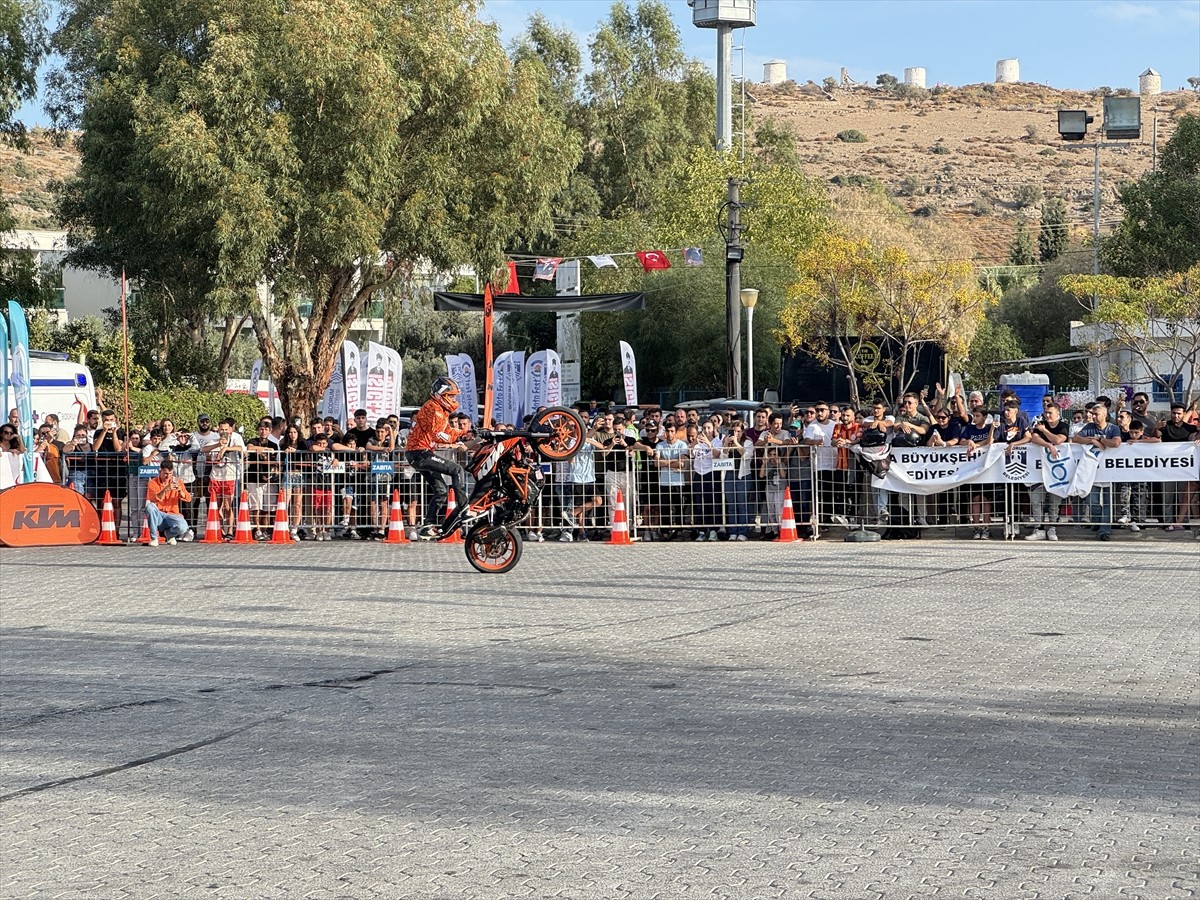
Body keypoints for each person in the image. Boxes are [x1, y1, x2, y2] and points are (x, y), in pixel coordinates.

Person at [406, 377, 471, 539]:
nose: (454, 400)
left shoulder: (440, 409)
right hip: (419, 453)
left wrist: (463, 432)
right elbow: (439, 435)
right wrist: (460, 434)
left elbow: (447, 431)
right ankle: (464, 508)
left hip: (420, 453)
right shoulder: (433, 408)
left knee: (441, 491)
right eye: (451, 396)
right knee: (457, 470)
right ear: (441, 395)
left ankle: (427, 526)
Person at [1071, 400, 1122, 541]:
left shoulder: (1112, 428)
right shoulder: (1089, 427)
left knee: (1107, 502)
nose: (1093, 416)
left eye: (1096, 414)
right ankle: (1099, 521)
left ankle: (1104, 530)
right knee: (1092, 500)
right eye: (1092, 414)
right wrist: (1092, 441)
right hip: (1092, 471)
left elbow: (1116, 443)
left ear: (1104, 415)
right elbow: (1076, 438)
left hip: (1109, 472)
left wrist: (1100, 439)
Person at [1022, 402, 1069, 541]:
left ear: (1058, 414)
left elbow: (1059, 440)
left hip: (1056, 469)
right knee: (1036, 500)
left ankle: (1052, 528)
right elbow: (1034, 438)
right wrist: (1048, 445)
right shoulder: (1040, 424)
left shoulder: (1063, 426)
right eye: (1046, 413)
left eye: (1050, 413)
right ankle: (1038, 528)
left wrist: (1045, 431)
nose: (1047, 415)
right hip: (1038, 469)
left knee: (1054, 501)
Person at [1159, 402, 1200, 532]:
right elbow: (1156, 436)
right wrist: (1156, 427)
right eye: (1174, 413)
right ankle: (1168, 523)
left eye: (1179, 413)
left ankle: (1184, 523)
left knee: (1183, 496)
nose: (1176, 416)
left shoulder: (1190, 429)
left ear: (1183, 414)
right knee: (1168, 496)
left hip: (1186, 469)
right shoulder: (1165, 426)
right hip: (1168, 468)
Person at [143, 459, 194, 546]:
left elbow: (188, 498)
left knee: (183, 527)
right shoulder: (152, 482)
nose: (168, 476)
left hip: (172, 514)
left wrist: (180, 491)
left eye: (170, 473)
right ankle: (154, 538)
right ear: (160, 472)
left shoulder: (178, 482)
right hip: (159, 514)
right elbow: (153, 499)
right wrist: (165, 490)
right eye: (165, 473)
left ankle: (169, 535)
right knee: (150, 507)